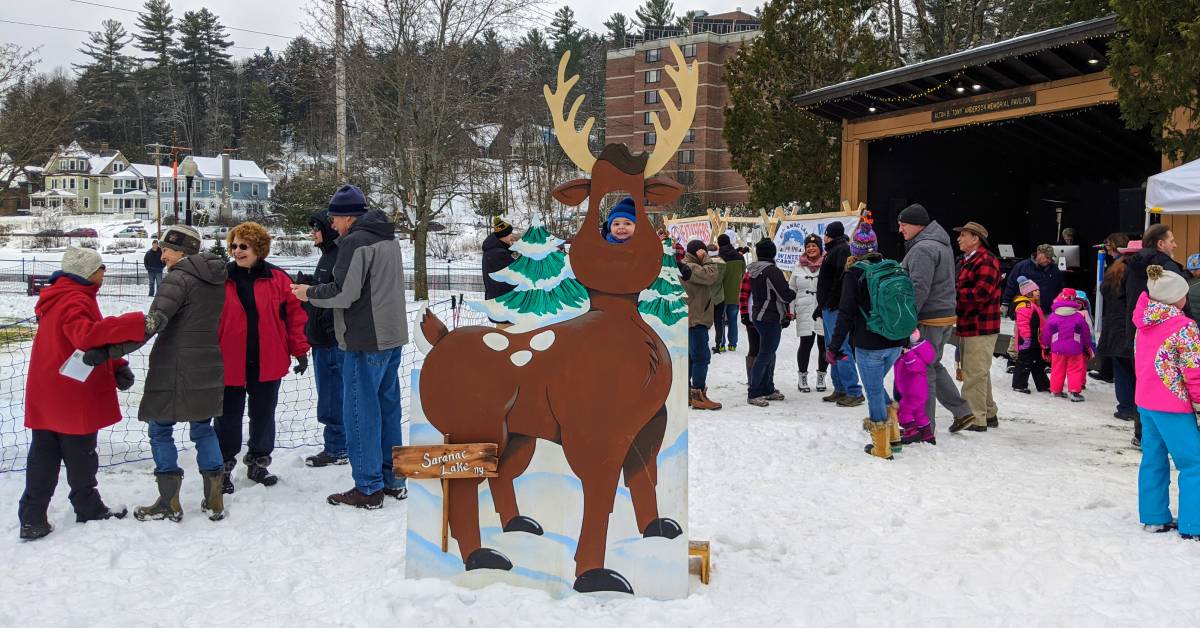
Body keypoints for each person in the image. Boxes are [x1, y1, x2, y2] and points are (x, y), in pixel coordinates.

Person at [86, 224, 229, 522]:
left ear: (182, 251)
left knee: (160, 429)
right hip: (208, 362)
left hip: (175, 366)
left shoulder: (178, 279)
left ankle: (168, 500)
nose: (162, 256)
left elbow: (154, 323)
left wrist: (111, 350)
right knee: (203, 429)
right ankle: (214, 497)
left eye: (166, 250)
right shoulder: (215, 278)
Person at [292, 184, 410, 509]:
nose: (331, 224)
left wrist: (308, 293)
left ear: (348, 217)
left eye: (334, 218)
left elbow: (344, 292)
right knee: (387, 409)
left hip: (364, 339)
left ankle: (368, 487)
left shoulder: (355, 241)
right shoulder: (388, 238)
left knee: (359, 412)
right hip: (391, 336)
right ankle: (393, 479)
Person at [18, 247, 146, 540]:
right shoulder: (75, 299)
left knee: (44, 455)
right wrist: (134, 323)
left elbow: (79, 345)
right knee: (81, 454)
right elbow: (86, 336)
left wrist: (116, 365)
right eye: (101, 268)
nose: (104, 273)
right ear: (87, 273)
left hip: (49, 388)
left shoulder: (61, 295)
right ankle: (87, 507)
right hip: (71, 392)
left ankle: (32, 516)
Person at [213, 222, 309, 492]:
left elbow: (295, 317)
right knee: (227, 416)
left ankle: (258, 461)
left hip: (268, 359)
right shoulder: (221, 277)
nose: (237, 251)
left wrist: (300, 350)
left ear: (258, 248)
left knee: (263, 415)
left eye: (244, 246)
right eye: (234, 245)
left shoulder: (278, 279)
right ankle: (223, 467)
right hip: (230, 360)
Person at [1132, 265, 1200, 540]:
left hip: (1146, 401)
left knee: (1153, 458)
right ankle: (1193, 524)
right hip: (1173, 404)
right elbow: (1193, 370)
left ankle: (1153, 516)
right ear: (1176, 298)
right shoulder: (1184, 326)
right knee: (1194, 463)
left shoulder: (1144, 321)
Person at [828, 222, 904, 458]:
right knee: (876, 385)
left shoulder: (855, 273)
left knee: (872, 391)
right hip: (895, 341)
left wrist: (834, 345)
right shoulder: (891, 268)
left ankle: (881, 448)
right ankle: (894, 437)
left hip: (869, 344)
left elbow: (846, 313)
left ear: (855, 250)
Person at [896, 203, 974, 428]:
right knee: (932, 364)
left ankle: (924, 426)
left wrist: (908, 318)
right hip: (944, 313)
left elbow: (919, 287)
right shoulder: (939, 243)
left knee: (923, 370)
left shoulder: (923, 248)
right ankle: (962, 411)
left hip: (929, 317)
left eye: (903, 225)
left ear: (916, 225)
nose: (900, 229)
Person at [299, 210, 348, 468]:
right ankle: (339, 444)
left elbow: (337, 293)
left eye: (316, 229)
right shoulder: (327, 255)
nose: (312, 234)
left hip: (331, 340)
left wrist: (311, 294)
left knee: (333, 396)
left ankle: (338, 446)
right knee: (330, 394)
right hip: (321, 338)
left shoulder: (338, 255)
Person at [951, 221, 1002, 433]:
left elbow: (981, 294)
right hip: (971, 324)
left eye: (963, 235)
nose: (959, 239)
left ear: (976, 238)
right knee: (979, 371)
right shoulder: (967, 260)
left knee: (974, 373)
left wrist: (952, 296)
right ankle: (988, 412)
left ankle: (974, 417)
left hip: (980, 325)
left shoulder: (987, 261)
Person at [815, 221, 863, 406]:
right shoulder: (835, 250)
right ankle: (840, 387)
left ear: (830, 235)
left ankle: (853, 390)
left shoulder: (841, 250)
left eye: (826, 234)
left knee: (840, 347)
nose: (824, 238)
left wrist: (831, 302)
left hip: (835, 308)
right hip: (829, 307)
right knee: (832, 348)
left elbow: (840, 280)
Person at [747, 238, 796, 407]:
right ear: (773, 253)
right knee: (765, 354)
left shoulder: (753, 269)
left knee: (767, 352)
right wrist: (793, 292)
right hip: (770, 316)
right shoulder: (772, 271)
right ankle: (754, 392)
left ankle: (767, 388)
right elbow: (785, 295)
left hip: (759, 314)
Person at [1099, 238, 1137, 422]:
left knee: (1121, 369)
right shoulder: (1135, 273)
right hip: (1128, 326)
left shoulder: (1114, 270)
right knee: (1134, 370)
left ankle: (1125, 407)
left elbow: (1104, 292)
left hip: (1113, 326)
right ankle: (1133, 408)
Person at [682, 239, 722, 410]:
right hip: (695, 319)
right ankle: (698, 394)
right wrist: (705, 257)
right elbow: (712, 274)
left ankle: (687, 394)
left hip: (692, 318)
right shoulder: (690, 267)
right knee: (701, 357)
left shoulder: (686, 265)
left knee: (691, 358)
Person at [1042, 288, 1095, 402]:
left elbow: (1046, 333)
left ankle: (1056, 391)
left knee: (1057, 369)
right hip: (1075, 349)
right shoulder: (1078, 317)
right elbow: (1086, 333)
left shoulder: (1053, 316)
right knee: (1075, 369)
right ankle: (1074, 392)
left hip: (1057, 348)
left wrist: (1046, 345)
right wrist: (1087, 346)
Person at [789, 234, 827, 393]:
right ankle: (802, 377)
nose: (811, 249)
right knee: (805, 344)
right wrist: (790, 310)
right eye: (808, 246)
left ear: (820, 248)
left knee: (823, 344)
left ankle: (821, 376)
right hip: (804, 310)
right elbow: (792, 289)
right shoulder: (798, 267)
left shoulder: (826, 264)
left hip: (822, 309)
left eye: (814, 246)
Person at [895, 329, 937, 446]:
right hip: (916, 392)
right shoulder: (920, 350)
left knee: (904, 410)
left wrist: (907, 354)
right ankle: (927, 434)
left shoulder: (911, 353)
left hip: (913, 392)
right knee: (919, 413)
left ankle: (911, 432)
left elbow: (916, 367)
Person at [1011, 276, 1050, 394]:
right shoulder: (1025, 306)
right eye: (1035, 290)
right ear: (1027, 292)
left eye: (1038, 290)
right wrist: (1027, 338)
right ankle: (1019, 384)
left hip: (1035, 339)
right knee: (1024, 362)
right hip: (1027, 340)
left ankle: (1043, 384)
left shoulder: (1033, 305)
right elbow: (1023, 324)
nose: (1038, 292)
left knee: (1037, 363)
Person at [1003, 244, 1063, 316]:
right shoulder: (1021, 267)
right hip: (1025, 311)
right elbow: (1011, 285)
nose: (1049, 260)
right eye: (1047, 257)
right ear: (1038, 253)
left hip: (1048, 312)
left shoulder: (1055, 269)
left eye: (1051, 258)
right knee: (1023, 327)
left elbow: (1060, 288)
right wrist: (1005, 304)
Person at [482, 215, 520, 327]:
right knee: (507, 339)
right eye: (510, 234)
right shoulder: (498, 254)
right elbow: (516, 275)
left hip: (502, 304)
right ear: (504, 236)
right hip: (505, 305)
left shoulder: (495, 251)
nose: (511, 237)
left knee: (504, 338)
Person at [716, 233, 744, 353]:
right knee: (733, 320)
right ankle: (732, 344)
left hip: (721, 295)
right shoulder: (740, 257)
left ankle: (721, 344)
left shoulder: (719, 259)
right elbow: (742, 274)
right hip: (735, 294)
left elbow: (716, 277)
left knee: (720, 320)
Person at [706, 242, 728, 353]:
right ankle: (718, 344)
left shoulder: (706, 265)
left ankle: (704, 343)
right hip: (720, 296)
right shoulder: (723, 264)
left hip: (707, 297)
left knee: (704, 322)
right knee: (719, 322)